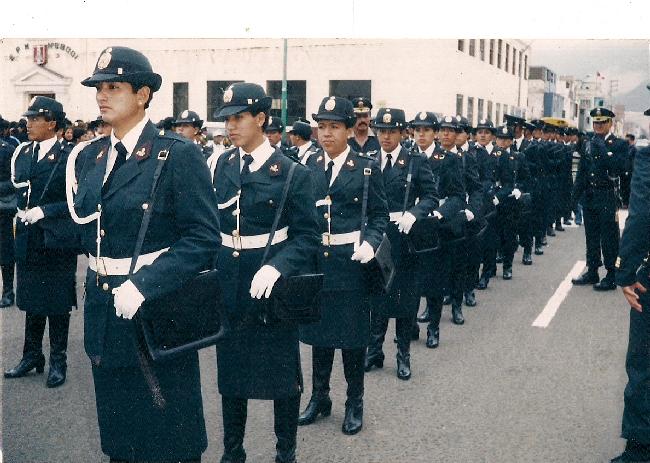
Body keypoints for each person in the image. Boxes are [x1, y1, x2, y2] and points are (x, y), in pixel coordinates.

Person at [73, 46, 220, 463]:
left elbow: (203, 238)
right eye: (99, 88)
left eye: (114, 87)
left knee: (167, 436)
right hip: (105, 310)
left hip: (156, 310)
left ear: (143, 94)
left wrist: (144, 283)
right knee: (121, 439)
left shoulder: (176, 154)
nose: (102, 96)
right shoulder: (91, 156)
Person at [212, 82, 319, 463]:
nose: (231, 126)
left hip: (271, 287)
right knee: (231, 375)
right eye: (227, 119)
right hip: (230, 282)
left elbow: (307, 237)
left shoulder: (291, 173)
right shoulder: (222, 164)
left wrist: (278, 267)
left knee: (281, 376)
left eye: (239, 118)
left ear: (261, 118)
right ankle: (233, 452)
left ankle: (285, 451)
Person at [299, 96, 388, 435]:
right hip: (318, 265)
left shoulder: (366, 168)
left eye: (334, 127)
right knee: (320, 338)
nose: (327, 133)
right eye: (321, 127)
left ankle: (355, 401)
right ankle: (320, 398)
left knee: (352, 339)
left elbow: (379, 215)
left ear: (350, 130)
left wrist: (370, 242)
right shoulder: (307, 167)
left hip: (351, 265)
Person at [4, 96, 77, 389]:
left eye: (35, 119)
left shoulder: (69, 155)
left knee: (58, 302)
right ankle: (32, 355)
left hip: (56, 237)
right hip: (29, 237)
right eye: (29, 118)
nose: (29, 123)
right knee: (32, 298)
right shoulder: (22, 153)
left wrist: (45, 211)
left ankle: (58, 360)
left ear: (52, 124)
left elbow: (76, 202)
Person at [363, 108, 437, 380]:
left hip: (404, 237)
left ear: (402, 132)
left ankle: (403, 354)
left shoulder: (414, 161)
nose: (385, 137)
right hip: (377, 237)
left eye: (391, 131)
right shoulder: (368, 160)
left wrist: (414, 214)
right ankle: (375, 350)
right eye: (381, 131)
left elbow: (431, 196)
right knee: (377, 296)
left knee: (405, 301)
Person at [611, 118, 650, 463]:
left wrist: (625, 273)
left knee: (643, 360)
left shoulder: (648, 157)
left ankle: (640, 447)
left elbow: (640, 216)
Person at [414, 115, 465, 347]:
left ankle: (434, 327)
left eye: (426, 130)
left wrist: (440, 213)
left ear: (435, 132)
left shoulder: (448, 159)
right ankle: (410, 325)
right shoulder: (408, 157)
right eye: (417, 130)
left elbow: (457, 196)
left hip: (436, 225)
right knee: (412, 279)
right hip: (412, 225)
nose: (421, 134)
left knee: (434, 280)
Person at [571, 107, 628, 291]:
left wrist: (603, 147)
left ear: (610, 124)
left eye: (602, 122)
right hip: (590, 195)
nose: (598, 125)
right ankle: (593, 270)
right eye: (596, 122)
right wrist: (574, 197)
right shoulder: (587, 142)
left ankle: (611, 274)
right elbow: (582, 172)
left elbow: (618, 168)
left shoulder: (619, 144)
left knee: (609, 237)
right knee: (592, 235)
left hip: (607, 195)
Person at [493, 125, 530, 280]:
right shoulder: (491, 155)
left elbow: (526, 179)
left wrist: (519, 189)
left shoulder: (518, 157)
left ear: (510, 141)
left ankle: (508, 266)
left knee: (509, 235)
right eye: (500, 139)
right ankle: (491, 266)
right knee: (494, 235)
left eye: (505, 139)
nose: (502, 142)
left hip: (510, 201)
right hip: (494, 200)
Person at [0, 135, 16, 307]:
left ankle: (8, 291)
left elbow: (15, 181)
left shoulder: (6, 150)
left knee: (4, 253)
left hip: (2, 210)